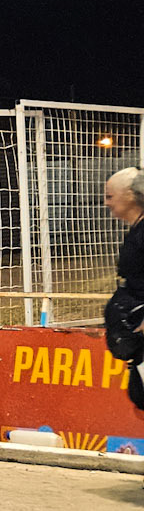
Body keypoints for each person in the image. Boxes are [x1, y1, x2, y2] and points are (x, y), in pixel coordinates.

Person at [103, 167, 144, 414]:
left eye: (110, 196)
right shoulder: (136, 230)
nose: (106, 202)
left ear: (130, 195)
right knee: (139, 393)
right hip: (137, 339)